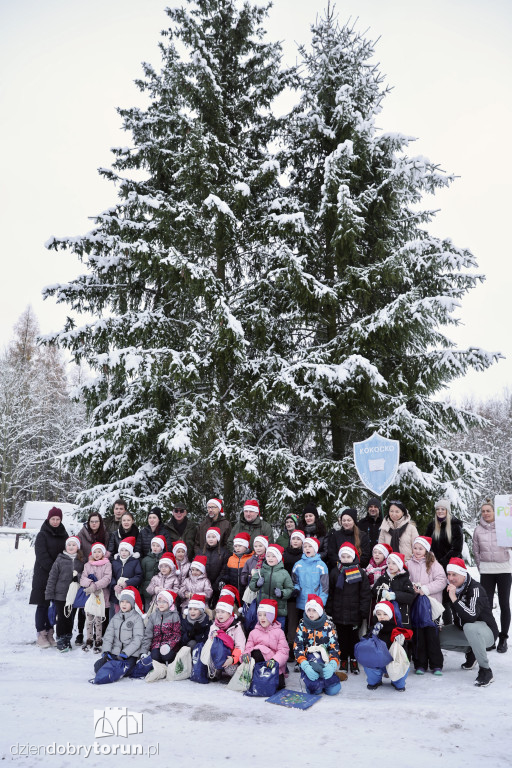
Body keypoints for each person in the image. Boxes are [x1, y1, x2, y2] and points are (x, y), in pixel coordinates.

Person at [439, 558, 499, 687]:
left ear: (463, 574)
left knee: (470, 627)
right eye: (449, 574)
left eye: (454, 574)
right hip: (464, 630)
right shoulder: (451, 588)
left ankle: (486, 671)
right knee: (435, 636)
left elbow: (471, 616)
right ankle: (471, 652)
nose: (450, 578)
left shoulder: (475, 589)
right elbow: (438, 603)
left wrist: (454, 599)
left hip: (486, 632)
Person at [326, 542, 371, 674]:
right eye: (343, 556)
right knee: (342, 638)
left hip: (355, 614)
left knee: (354, 638)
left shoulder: (360, 573)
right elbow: (331, 592)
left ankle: (354, 660)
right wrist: (329, 609)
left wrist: (363, 610)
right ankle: (344, 658)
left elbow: (365, 593)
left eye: (348, 556)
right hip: (339, 613)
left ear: (353, 557)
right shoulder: (335, 572)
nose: (345, 559)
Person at [473, 499, 511, 653]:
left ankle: (503, 638)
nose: (486, 513)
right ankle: (490, 637)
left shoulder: (505, 527)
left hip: (504, 569)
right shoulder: (477, 530)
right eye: (483, 511)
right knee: (486, 605)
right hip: (487, 571)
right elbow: (476, 551)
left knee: (504, 603)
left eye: (488, 510)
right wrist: (481, 566)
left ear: (494, 512)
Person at [406, 536, 446, 674]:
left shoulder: (433, 564)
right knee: (419, 636)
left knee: (432, 636)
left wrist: (425, 589)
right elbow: (405, 580)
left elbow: (441, 580)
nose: (417, 551)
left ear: (426, 550)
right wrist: (412, 588)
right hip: (416, 605)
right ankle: (420, 664)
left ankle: (436, 665)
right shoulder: (409, 564)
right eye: (415, 548)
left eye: (420, 548)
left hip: (431, 606)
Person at [29, 507, 68, 648]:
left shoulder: (65, 535)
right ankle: (41, 633)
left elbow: (67, 552)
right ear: (48, 519)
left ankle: (50, 632)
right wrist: (55, 569)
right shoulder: (42, 535)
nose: (56, 521)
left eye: (58, 519)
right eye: (53, 519)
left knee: (55, 606)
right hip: (43, 574)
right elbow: (41, 555)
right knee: (43, 604)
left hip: (59, 576)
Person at [93, 587, 145, 682]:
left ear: (132, 604)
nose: (124, 604)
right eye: (122, 602)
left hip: (130, 654)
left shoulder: (137, 619)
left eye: (127, 602)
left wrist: (125, 653)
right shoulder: (115, 618)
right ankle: (113, 667)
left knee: (126, 668)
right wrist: (106, 651)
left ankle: (123, 668)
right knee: (97, 667)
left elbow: (138, 639)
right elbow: (109, 636)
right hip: (115, 652)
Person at [293, 593, 341, 696]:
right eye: (309, 610)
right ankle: (313, 681)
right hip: (309, 662)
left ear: (319, 611)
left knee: (333, 690)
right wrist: (305, 665)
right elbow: (298, 647)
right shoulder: (302, 626)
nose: (311, 613)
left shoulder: (328, 626)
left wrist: (333, 664)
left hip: (325, 661)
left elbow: (334, 646)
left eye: (314, 610)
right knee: (316, 690)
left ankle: (327, 680)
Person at [44, 535, 85, 652]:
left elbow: (85, 575)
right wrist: (49, 593)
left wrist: (78, 576)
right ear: (65, 546)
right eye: (69, 545)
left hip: (73, 595)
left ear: (78, 547)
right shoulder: (60, 559)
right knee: (62, 617)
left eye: (74, 545)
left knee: (70, 618)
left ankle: (68, 637)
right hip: (60, 595)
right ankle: (61, 638)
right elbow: (52, 577)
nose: (71, 547)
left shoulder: (80, 561)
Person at [363, 601, 411, 691]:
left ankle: (397, 682)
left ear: (390, 615)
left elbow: (405, 651)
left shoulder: (396, 629)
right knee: (371, 670)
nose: (382, 617)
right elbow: (365, 645)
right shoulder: (373, 629)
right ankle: (375, 681)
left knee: (400, 677)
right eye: (379, 614)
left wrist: (402, 642)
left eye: (385, 614)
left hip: (393, 661)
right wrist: (372, 635)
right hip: (377, 661)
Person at [242, 599, 289, 690]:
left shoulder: (279, 632)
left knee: (278, 685)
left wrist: (275, 661)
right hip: (257, 667)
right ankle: (257, 678)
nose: (262, 618)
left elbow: (284, 651)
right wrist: (246, 655)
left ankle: (268, 679)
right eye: (260, 615)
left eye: (265, 615)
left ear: (271, 616)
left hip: (273, 667)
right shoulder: (253, 633)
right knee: (256, 651)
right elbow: (248, 648)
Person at [141, 589, 182, 682]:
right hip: (156, 644)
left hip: (169, 645)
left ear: (170, 603)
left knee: (166, 656)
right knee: (155, 656)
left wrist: (169, 645)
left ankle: (168, 667)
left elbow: (177, 634)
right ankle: (160, 670)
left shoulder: (174, 616)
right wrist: (144, 651)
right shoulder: (153, 616)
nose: (161, 604)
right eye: (159, 601)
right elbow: (148, 635)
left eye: (164, 602)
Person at [249, 544, 294, 629]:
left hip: (279, 611)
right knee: (262, 632)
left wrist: (282, 593)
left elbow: (290, 589)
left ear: (279, 558)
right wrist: (257, 584)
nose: (270, 558)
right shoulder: (261, 571)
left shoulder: (284, 573)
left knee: (277, 633)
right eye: (268, 556)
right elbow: (251, 585)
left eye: (273, 556)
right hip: (263, 611)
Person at [80, 542, 112, 653]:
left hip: (101, 595)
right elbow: (83, 578)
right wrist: (90, 584)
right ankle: (89, 639)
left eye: (99, 551)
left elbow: (107, 578)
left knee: (98, 619)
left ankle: (98, 640)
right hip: (90, 596)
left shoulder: (107, 564)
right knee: (89, 619)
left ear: (103, 553)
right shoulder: (87, 565)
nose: (97, 554)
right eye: (95, 552)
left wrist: (96, 586)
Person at [207, 593, 247, 679]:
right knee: (210, 668)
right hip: (217, 656)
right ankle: (216, 672)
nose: (219, 614)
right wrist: (212, 636)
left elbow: (240, 646)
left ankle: (229, 670)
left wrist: (233, 659)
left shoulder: (236, 627)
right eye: (217, 612)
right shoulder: (214, 626)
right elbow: (209, 644)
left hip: (230, 657)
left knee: (231, 671)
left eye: (223, 612)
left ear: (229, 613)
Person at [372, 552, 416, 629]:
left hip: (401, 615)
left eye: (394, 563)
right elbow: (374, 590)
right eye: (388, 563)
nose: (390, 565)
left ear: (399, 565)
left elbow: (410, 596)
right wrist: (382, 592)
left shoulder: (405, 579)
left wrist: (395, 595)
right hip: (384, 615)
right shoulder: (383, 577)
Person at [291, 537, 329, 619]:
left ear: (315, 549)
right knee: (302, 627)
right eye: (305, 547)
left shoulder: (321, 565)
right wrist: (296, 589)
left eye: (310, 546)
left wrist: (320, 602)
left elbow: (324, 587)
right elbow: (294, 581)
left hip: (315, 605)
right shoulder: (298, 565)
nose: (307, 548)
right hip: (301, 602)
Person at [283, 530, 305, 658]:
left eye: (298, 539)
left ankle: (297, 646)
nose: (295, 541)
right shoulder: (284, 555)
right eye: (293, 538)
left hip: (300, 593)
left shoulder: (305, 555)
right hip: (286, 592)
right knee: (288, 621)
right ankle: (288, 646)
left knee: (297, 621)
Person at [425, 498, 463, 571]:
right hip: (434, 564)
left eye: (442, 509)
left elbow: (457, 549)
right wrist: (432, 559)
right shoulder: (431, 526)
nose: (440, 511)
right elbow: (427, 544)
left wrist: (443, 562)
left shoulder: (455, 526)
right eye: (437, 509)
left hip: (451, 565)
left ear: (447, 511)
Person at [109, 537, 143, 617]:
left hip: (129, 593)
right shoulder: (115, 562)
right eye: (122, 550)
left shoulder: (135, 562)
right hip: (116, 594)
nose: (124, 552)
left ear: (130, 552)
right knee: (115, 614)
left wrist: (127, 583)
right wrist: (114, 586)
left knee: (127, 614)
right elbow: (111, 576)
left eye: (126, 550)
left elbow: (139, 576)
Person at [202, 527, 229, 605]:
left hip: (217, 585)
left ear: (217, 538)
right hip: (203, 585)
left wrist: (216, 584)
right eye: (209, 537)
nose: (211, 539)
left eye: (213, 537)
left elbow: (224, 570)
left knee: (215, 605)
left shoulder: (224, 553)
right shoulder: (201, 552)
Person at [140, 535, 167, 610]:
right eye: (153, 545)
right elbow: (143, 576)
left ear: (162, 547)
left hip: (161, 589)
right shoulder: (145, 560)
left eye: (158, 546)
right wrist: (142, 590)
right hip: (147, 589)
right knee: (148, 609)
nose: (155, 547)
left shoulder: (165, 559)